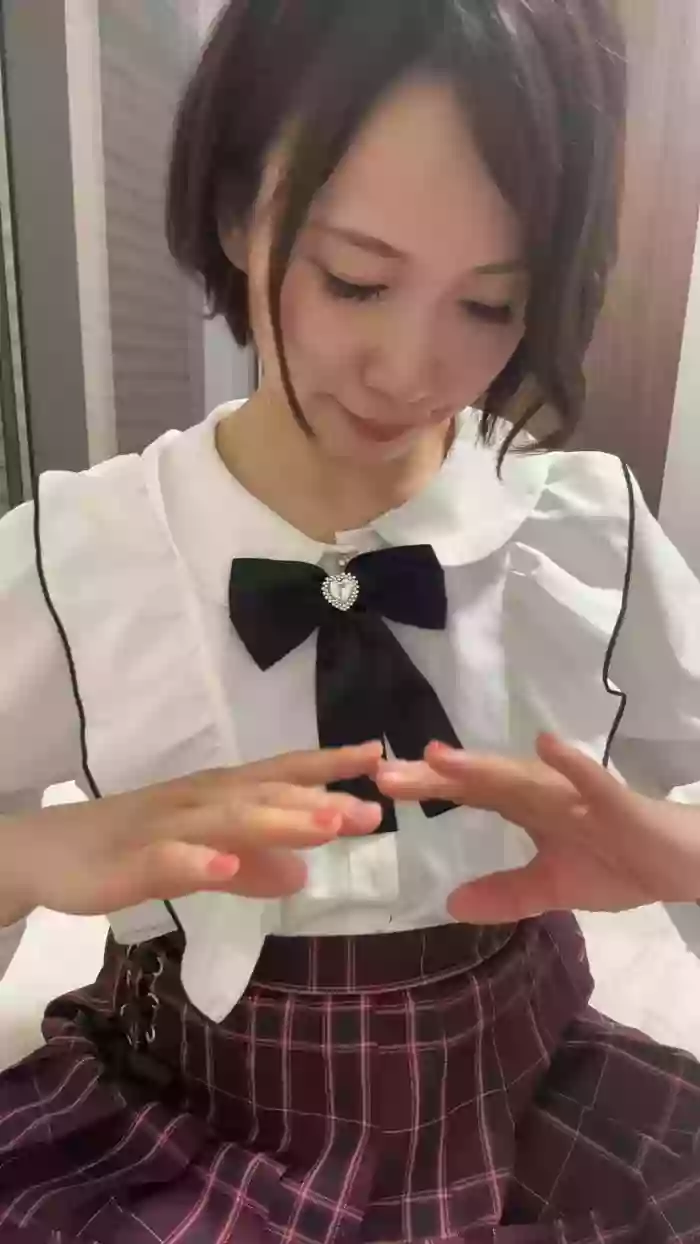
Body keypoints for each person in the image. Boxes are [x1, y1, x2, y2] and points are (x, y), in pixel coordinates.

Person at [1, 0, 700, 1240]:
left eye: (489, 304)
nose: (410, 369)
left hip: (520, 1093)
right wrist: (34, 856)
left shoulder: (584, 532)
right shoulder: (81, 555)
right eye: (356, 280)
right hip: (189, 1108)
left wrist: (675, 856)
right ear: (236, 211)